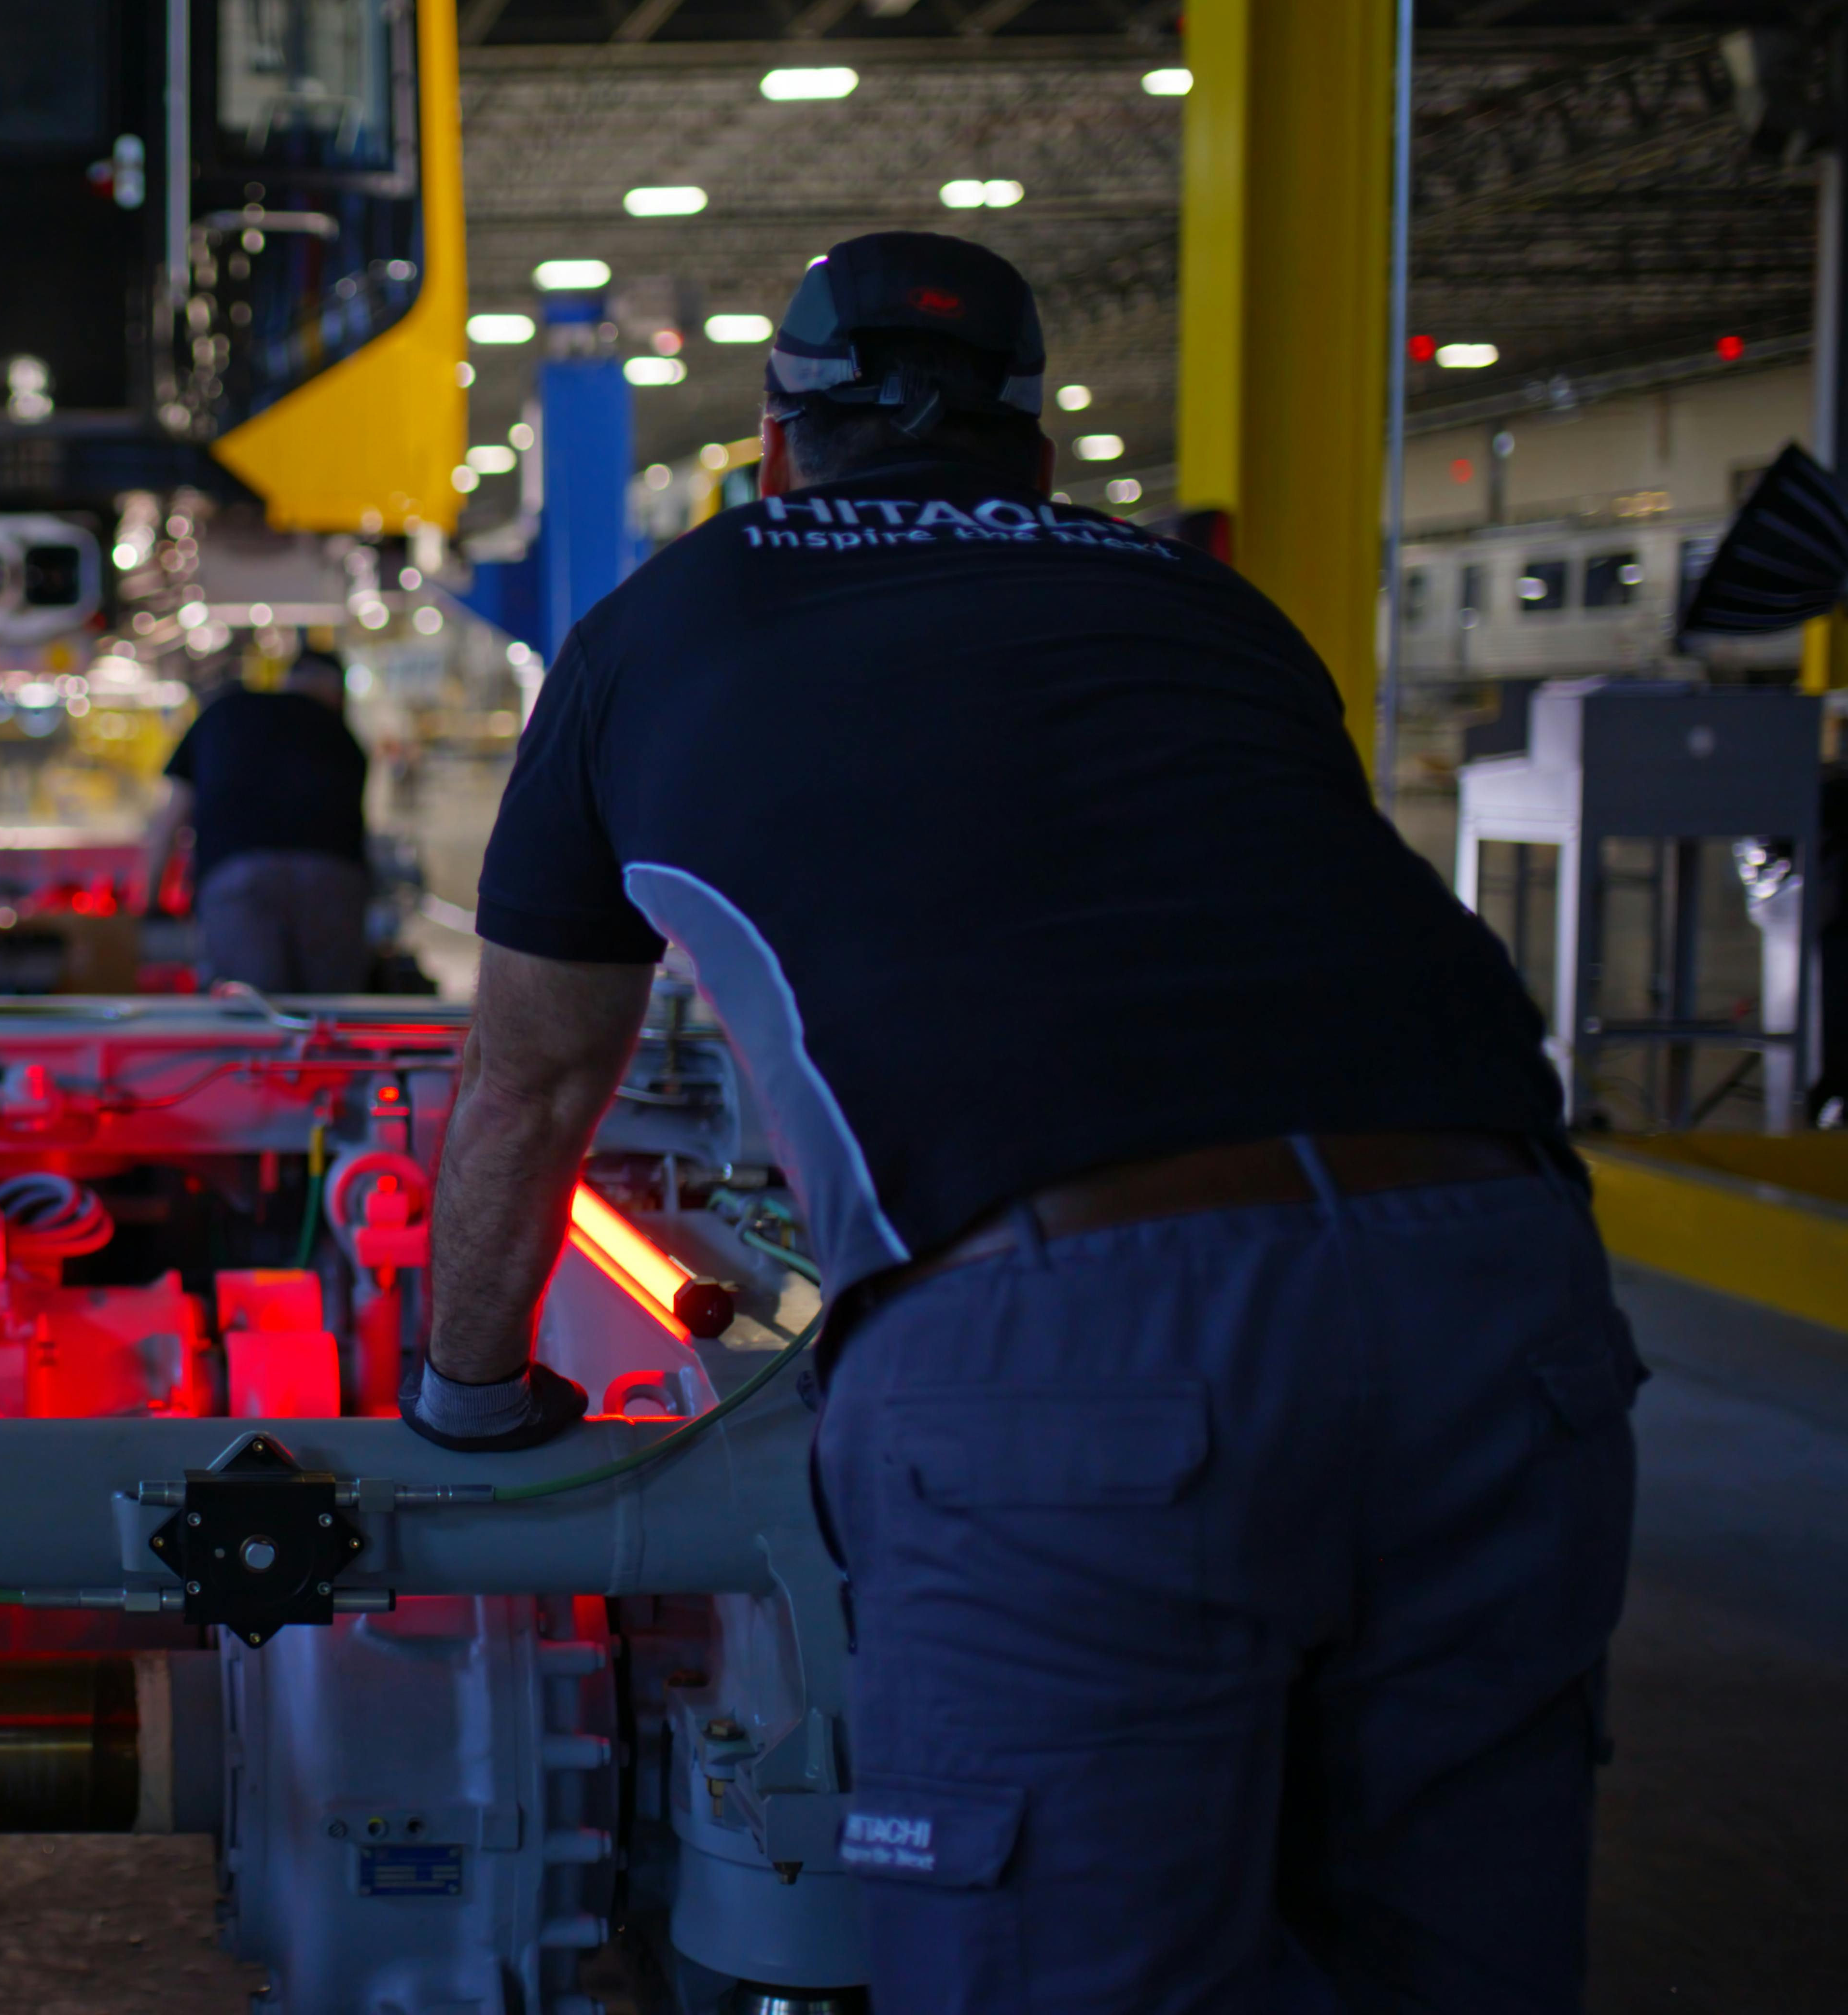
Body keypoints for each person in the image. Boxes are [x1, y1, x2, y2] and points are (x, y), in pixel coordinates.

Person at [410, 234, 1636, 2011]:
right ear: (1041, 456)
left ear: (773, 449)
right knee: (1454, 1954)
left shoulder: (661, 626)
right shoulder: (1216, 614)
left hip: (1084, 1344)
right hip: (1507, 1290)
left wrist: (470, 1397)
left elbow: (528, 1079)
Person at [133, 647, 376, 993]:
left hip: (237, 881)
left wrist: (152, 904)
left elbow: (169, 823)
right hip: (333, 882)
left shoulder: (223, 715)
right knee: (331, 1018)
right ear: (337, 693)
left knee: (253, 1015)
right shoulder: (344, 738)